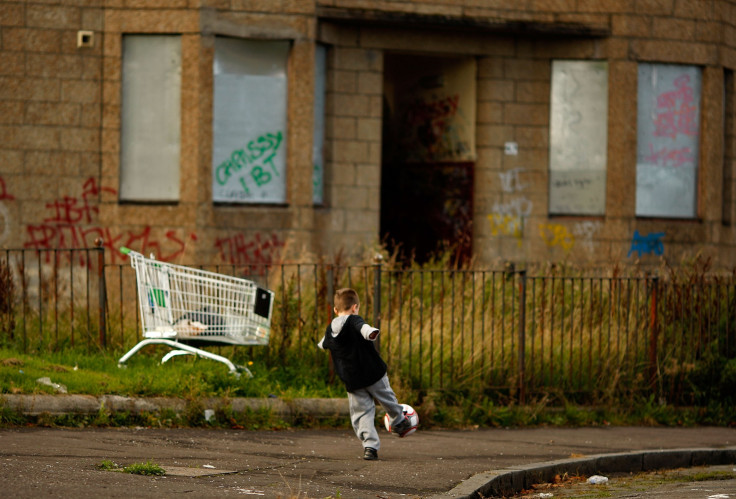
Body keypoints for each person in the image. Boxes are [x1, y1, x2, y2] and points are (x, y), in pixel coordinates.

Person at [318, 288, 412, 460]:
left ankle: (370, 447)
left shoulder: (330, 328)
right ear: (355, 307)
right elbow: (364, 328)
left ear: (335, 310)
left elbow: (324, 343)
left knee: (362, 413)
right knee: (387, 398)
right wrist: (371, 332)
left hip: (352, 379)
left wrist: (324, 344)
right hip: (372, 373)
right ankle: (398, 420)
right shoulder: (355, 320)